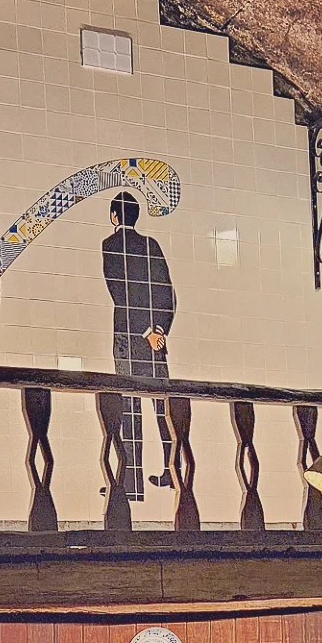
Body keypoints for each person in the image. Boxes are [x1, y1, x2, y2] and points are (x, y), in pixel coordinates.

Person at [102, 191, 176, 500]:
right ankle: (174, 473)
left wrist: (144, 331)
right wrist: (159, 330)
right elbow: (166, 291)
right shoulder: (152, 245)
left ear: (115, 217)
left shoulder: (110, 245)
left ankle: (132, 484)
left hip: (128, 338)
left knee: (131, 410)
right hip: (155, 339)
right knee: (164, 408)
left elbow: (120, 292)